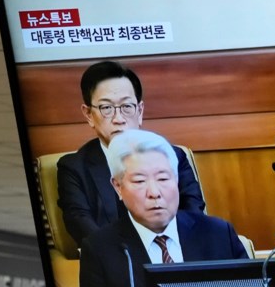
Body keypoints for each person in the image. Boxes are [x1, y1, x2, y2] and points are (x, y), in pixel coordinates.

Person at [79, 129, 248, 287]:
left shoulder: (218, 234)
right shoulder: (99, 250)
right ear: (118, 187)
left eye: (163, 179)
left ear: (176, 180)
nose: (154, 192)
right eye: (139, 181)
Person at [57, 60, 205, 246]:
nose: (119, 119)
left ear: (140, 110)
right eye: (106, 108)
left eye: (126, 107)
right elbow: (80, 224)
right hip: (116, 263)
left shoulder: (172, 155)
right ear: (88, 114)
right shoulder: (74, 167)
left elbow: (193, 212)